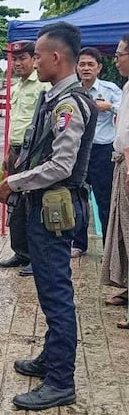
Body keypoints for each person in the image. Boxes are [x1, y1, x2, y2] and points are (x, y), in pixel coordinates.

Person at [0, 22, 97, 410]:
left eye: (37, 56)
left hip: (54, 208)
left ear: (56, 57)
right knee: (48, 290)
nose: (33, 62)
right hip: (43, 208)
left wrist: (15, 182)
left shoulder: (69, 103)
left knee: (56, 295)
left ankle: (60, 381)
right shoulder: (55, 97)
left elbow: (62, 165)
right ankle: (50, 359)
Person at [0, 40, 51, 277]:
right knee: (16, 205)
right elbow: (16, 123)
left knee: (33, 204)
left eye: (23, 58)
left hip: (34, 153)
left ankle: (36, 256)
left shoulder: (42, 86)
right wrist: (8, 152)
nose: (18, 63)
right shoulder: (16, 87)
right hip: (16, 151)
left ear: (34, 59)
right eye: (14, 59)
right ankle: (20, 251)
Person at [71, 47, 123, 258]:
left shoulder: (110, 89)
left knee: (104, 200)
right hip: (79, 150)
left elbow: (124, 109)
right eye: (82, 64)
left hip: (103, 151)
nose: (86, 68)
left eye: (90, 64)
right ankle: (78, 244)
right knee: (79, 198)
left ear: (99, 68)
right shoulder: (74, 90)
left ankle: (108, 249)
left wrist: (108, 106)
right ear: (76, 67)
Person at [104, 34, 129, 320]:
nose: (117, 58)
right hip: (121, 161)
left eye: (121, 53)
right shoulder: (125, 87)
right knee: (121, 229)